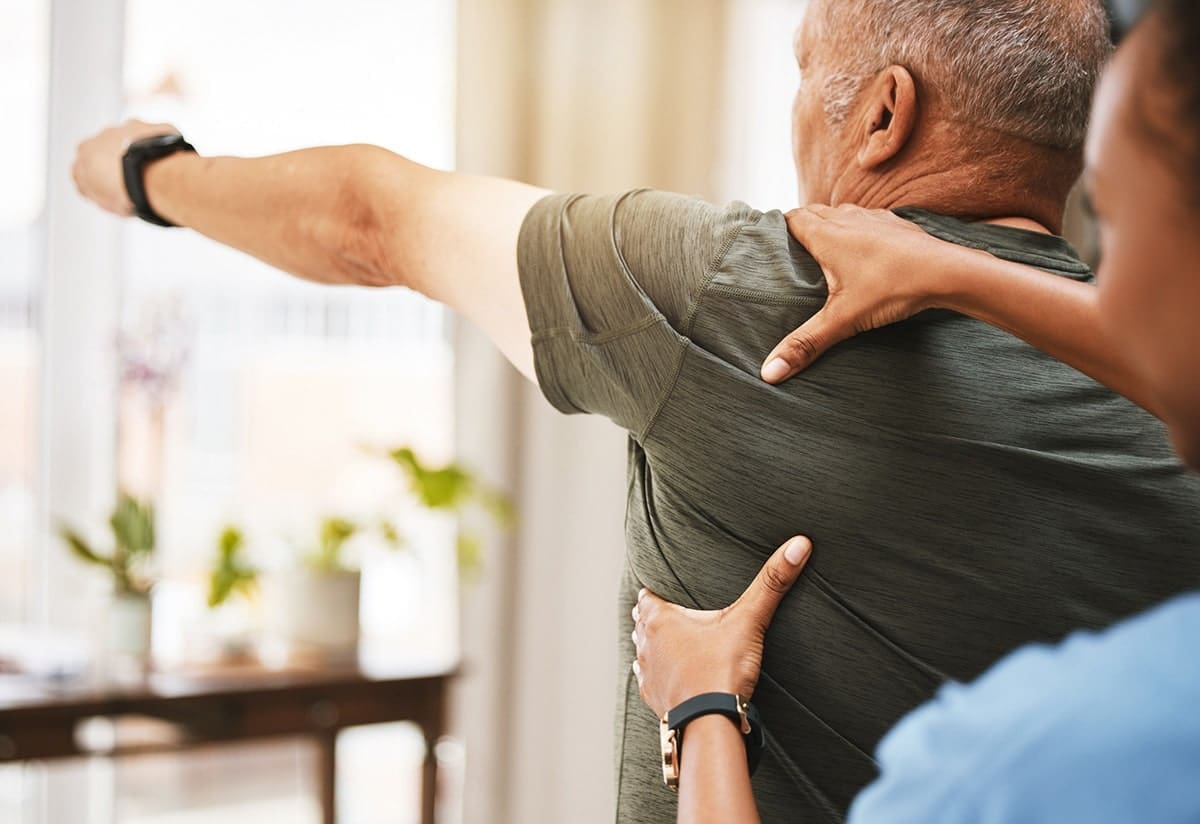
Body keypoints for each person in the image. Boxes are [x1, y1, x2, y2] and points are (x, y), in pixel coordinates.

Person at [71, 1, 1200, 820]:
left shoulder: (747, 289)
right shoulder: (1171, 364)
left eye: (806, 73)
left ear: (884, 117)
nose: (795, 115)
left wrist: (147, 173)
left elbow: (372, 215)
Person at [632, 0, 1200, 820]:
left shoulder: (1015, 763)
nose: (1098, 288)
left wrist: (700, 707)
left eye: (1109, 213)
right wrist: (957, 272)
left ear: (885, 113)